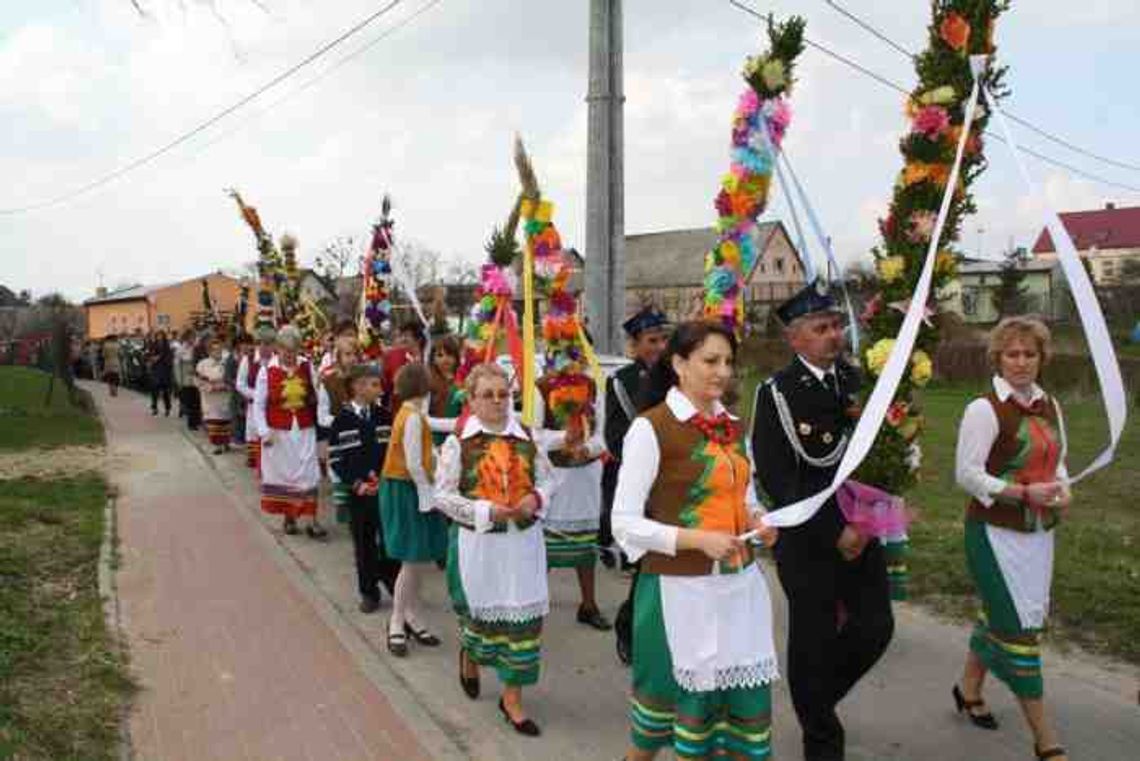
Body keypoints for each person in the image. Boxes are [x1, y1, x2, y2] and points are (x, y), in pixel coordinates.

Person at [613, 320, 779, 761]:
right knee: (657, 732)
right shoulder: (651, 428)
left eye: (728, 361)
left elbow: (745, 494)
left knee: (736, 724)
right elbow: (623, 523)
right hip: (678, 595)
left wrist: (758, 519)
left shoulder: (734, 426)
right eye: (710, 360)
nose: (722, 371)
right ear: (679, 364)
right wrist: (696, 540)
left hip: (737, 590)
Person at [750, 280, 894, 761]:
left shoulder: (857, 381)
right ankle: (821, 737)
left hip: (863, 529)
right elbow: (777, 476)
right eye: (821, 328)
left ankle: (815, 700)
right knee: (812, 640)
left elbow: (879, 457)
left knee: (875, 627)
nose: (834, 335)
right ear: (794, 338)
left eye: (835, 325)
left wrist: (867, 523)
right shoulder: (777, 393)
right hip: (809, 539)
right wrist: (835, 532)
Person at [953, 317, 1070, 761]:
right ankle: (1046, 741)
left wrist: (1064, 489)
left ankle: (969, 688)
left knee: (1009, 615)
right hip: (993, 534)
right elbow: (967, 474)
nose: (1021, 362)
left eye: (1029, 354)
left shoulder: (1050, 405)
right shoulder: (983, 409)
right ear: (997, 359)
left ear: (1042, 359)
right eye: (1012, 354)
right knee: (1019, 632)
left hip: (1037, 536)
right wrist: (1022, 493)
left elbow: (1058, 462)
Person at [434, 362, 558, 737]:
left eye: (504, 394)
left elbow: (549, 480)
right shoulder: (459, 443)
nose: (498, 401)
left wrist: (537, 499)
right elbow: (443, 496)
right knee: (481, 622)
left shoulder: (528, 438)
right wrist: (485, 511)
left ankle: (512, 700)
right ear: (471, 400)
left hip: (523, 546)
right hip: (481, 546)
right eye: (487, 395)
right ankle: (470, 656)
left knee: (524, 624)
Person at [534, 368, 611, 631]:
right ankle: (531, 604)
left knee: (586, 547)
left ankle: (589, 605)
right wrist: (562, 438)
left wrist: (587, 448)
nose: (570, 359)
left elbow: (603, 434)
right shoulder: (541, 387)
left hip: (585, 479)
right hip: (553, 478)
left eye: (576, 351)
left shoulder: (594, 386)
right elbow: (534, 435)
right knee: (545, 548)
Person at [380, 363, 448, 656]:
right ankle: (396, 620)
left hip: (408, 488)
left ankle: (411, 615)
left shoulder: (411, 413)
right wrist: (427, 494)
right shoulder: (412, 418)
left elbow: (429, 436)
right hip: (407, 490)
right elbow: (414, 464)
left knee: (417, 560)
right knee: (411, 559)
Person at [328, 363, 402, 614]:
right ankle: (369, 592)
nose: (380, 389)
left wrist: (384, 478)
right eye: (374, 384)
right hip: (358, 494)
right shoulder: (342, 421)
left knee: (389, 541)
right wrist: (356, 483)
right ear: (358, 387)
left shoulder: (384, 416)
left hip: (384, 489)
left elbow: (394, 451)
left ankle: (396, 585)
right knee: (363, 543)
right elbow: (336, 458)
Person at [602, 306, 670, 570]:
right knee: (649, 560)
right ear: (635, 345)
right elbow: (615, 438)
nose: (660, 347)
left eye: (664, 339)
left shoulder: (682, 375)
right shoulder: (622, 381)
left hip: (677, 474)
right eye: (652, 341)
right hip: (643, 478)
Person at [253, 325, 327, 539]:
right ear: (278, 348)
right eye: (286, 350)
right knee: (285, 475)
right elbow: (259, 404)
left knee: (309, 473)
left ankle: (312, 520)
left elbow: (319, 395)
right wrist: (264, 432)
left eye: (293, 350)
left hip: (305, 430)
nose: (290, 355)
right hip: (279, 433)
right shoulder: (267, 371)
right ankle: (289, 517)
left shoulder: (307, 366)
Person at [318, 325, 361, 524]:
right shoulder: (328, 381)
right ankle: (344, 513)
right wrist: (342, 421)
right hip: (339, 438)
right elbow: (322, 416)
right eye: (347, 354)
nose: (351, 359)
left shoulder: (365, 379)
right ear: (338, 357)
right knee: (340, 475)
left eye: (354, 354)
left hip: (361, 438)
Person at [238, 328, 275, 474]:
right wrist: (257, 395)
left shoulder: (276, 360)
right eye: (262, 344)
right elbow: (240, 384)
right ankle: (258, 467)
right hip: (254, 407)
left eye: (269, 344)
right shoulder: (248, 360)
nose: (265, 347)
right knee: (255, 434)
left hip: (273, 408)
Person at [196, 336, 233, 454]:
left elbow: (232, 378)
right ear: (209, 351)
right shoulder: (202, 364)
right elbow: (198, 380)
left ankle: (226, 443)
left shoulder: (227, 363)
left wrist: (226, 386)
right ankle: (217, 445)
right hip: (210, 399)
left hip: (225, 397)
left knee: (225, 422)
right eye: (214, 350)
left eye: (219, 349)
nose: (217, 352)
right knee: (214, 423)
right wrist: (210, 387)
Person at [427, 334, 465, 446]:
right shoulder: (428, 381)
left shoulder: (465, 380)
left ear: (456, 357)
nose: (445, 359)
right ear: (433, 359)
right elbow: (424, 416)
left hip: (459, 437)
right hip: (435, 438)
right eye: (440, 355)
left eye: (449, 354)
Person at [226, 333, 251, 445]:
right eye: (243, 343)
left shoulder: (252, 357)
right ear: (238, 345)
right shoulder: (232, 358)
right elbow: (227, 377)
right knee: (238, 420)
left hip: (249, 394)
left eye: (248, 343)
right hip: (237, 395)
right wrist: (238, 384)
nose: (246, 346)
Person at [175, 329, 202, 430]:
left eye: (194, 337)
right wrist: (179, 380)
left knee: (197, 401)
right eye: (192, 337)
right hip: (186, 378)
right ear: (187, 338)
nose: (193, 339)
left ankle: (197, 421)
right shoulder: (181, 349)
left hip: (197, 377)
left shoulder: (196, 348)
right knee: (190, 401)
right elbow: (177, 366)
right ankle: (192, 423)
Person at [146, 331, 174, 415]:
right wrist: (152, 359)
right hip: (156, 370)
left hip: (165, 370)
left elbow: (170, 358)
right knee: (154, 390)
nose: (159, 338)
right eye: (158, 336)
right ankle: (154, 407)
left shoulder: (167, 346)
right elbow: (148, 355)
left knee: (166, 391)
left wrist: (160, 358)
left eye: (161, 336)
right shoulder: (153, 345)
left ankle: (167, 408)